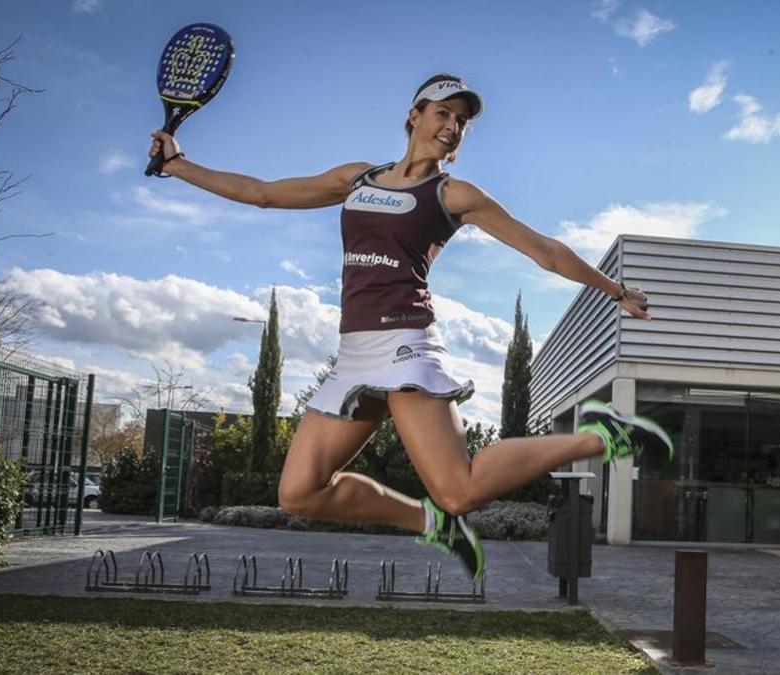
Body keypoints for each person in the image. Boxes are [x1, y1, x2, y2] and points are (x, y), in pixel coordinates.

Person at [147, 73, 675, 580]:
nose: (451, 125)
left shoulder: (454, 194)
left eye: (461, 121)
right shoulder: (356, 178)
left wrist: (616, 290)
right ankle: (433, 524)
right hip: (353, 354)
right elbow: (261, 192)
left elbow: (544, 251)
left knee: (461, 489)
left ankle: (599, 435)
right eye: (443, 113)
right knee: (299, 494)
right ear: (414, 116)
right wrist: (179, 166)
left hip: (406, 344)